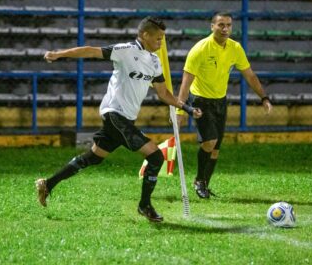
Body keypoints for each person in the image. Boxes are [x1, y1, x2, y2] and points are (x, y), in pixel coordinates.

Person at [36, 16, 202, 222]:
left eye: (162, 39)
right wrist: (58, 54)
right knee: (156, 157)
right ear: (145, 35)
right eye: (158, 38)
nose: (161, 42)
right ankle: (145, 205)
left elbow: (163, 93)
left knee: (94, 157)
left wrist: (185, 107)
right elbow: (90, 50)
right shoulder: (125, 50)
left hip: (126, 118)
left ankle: (47, 184)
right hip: (114, 113)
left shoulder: (154, 61)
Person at [176, 12, 272, 199]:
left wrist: (264, 98)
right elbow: (186, 83)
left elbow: (250, 75)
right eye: (220, 24)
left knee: (216, 148)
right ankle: (199, 181)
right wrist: (180, 110)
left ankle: (204, 184)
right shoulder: (200, 49)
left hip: (220, 101)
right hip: (200, 100)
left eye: (228, 25)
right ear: (212, 26)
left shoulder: (235, 48)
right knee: (209, 142)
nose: (225, 28)